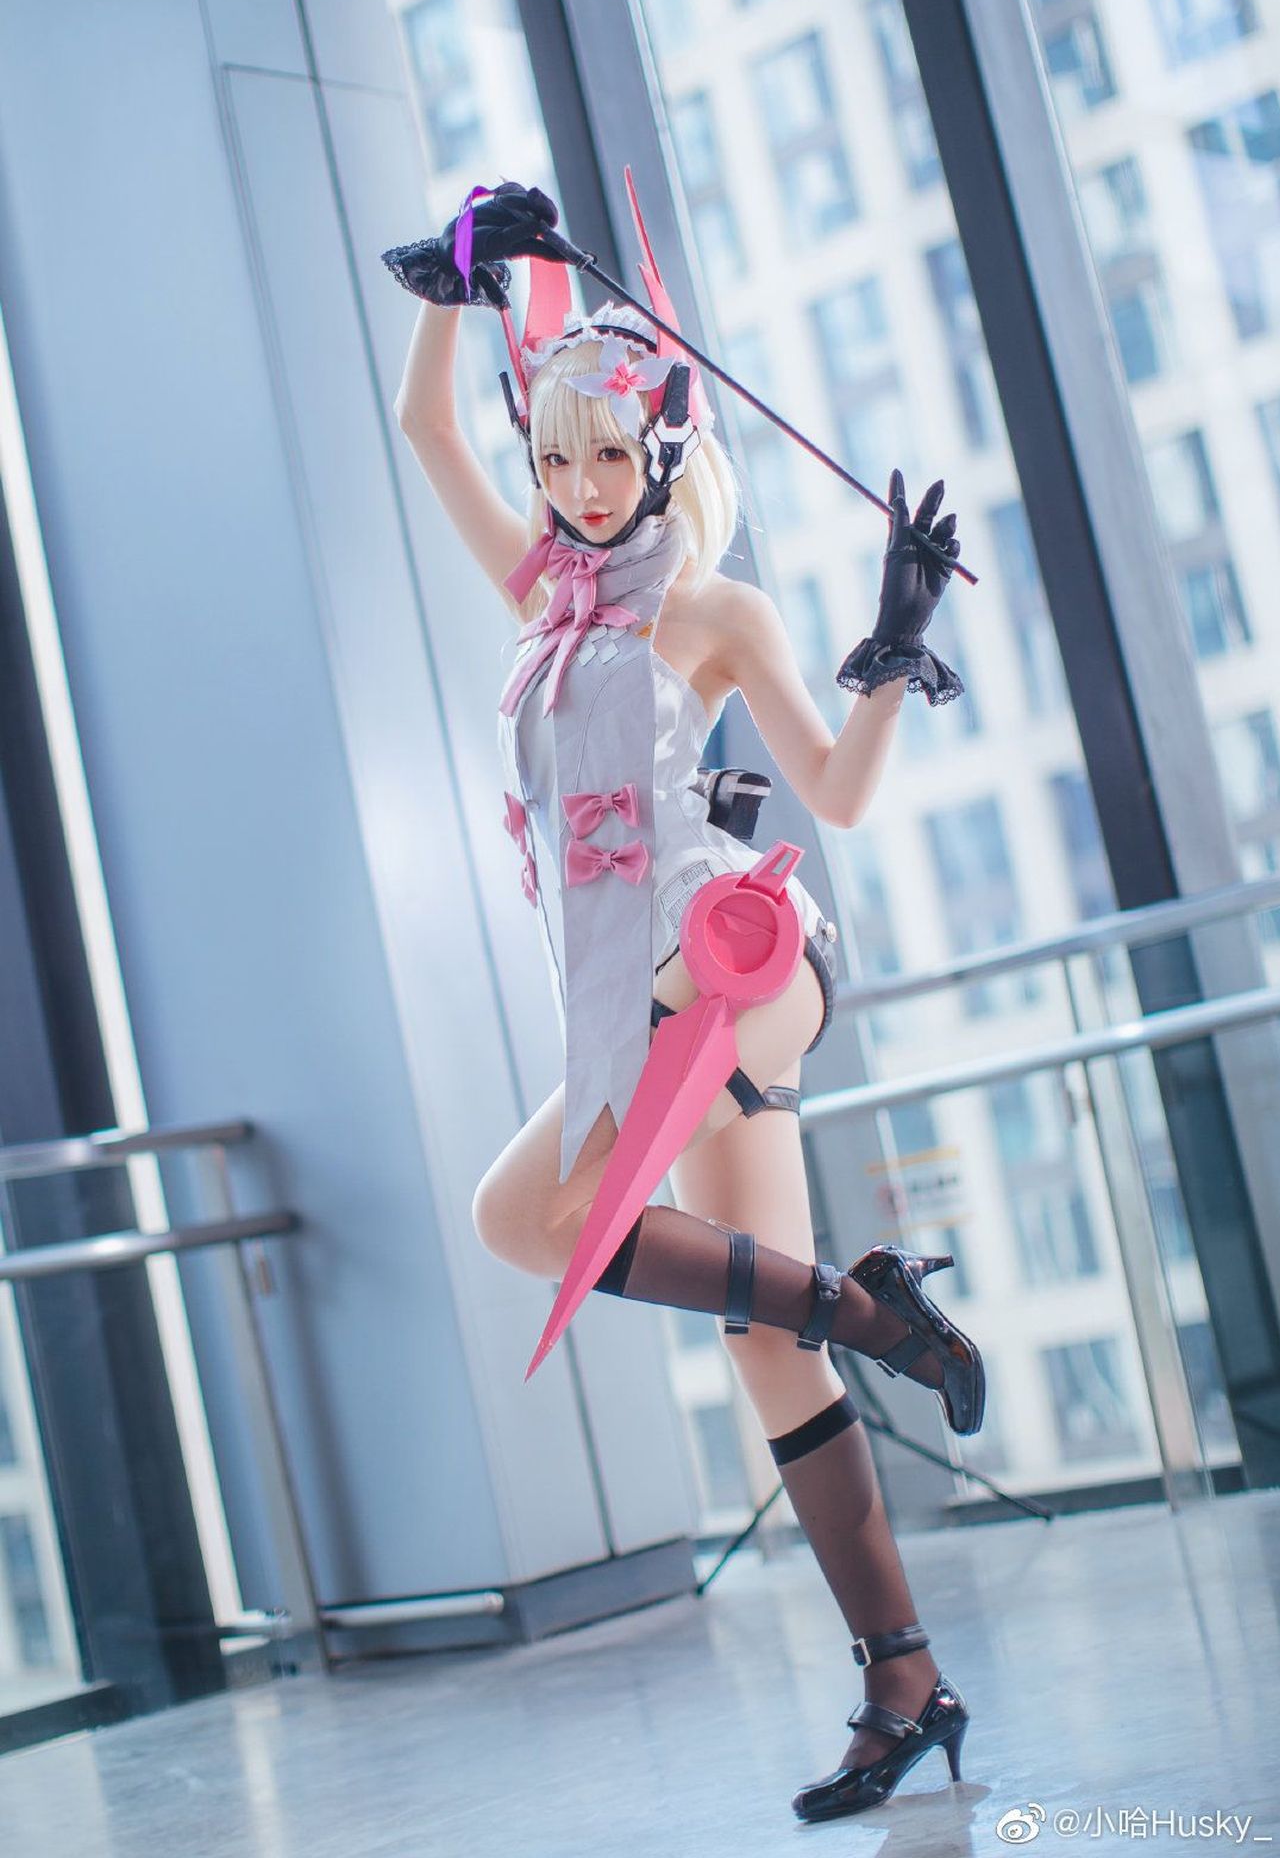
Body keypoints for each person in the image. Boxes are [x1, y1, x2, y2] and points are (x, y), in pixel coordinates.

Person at [383, 180, 983, 1823]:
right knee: (766, 1348)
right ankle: (905, 1681)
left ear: (661, 452)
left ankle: (872, 1310)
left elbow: (835, 796)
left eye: (604, 454)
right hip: (639, 995)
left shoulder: (711, 608)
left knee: (521, 1215)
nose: (577, 487)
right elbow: (421, 425)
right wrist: (458, 280)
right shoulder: (546, 596)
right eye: (552, 457)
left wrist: (893, 644)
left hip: (735, 953)